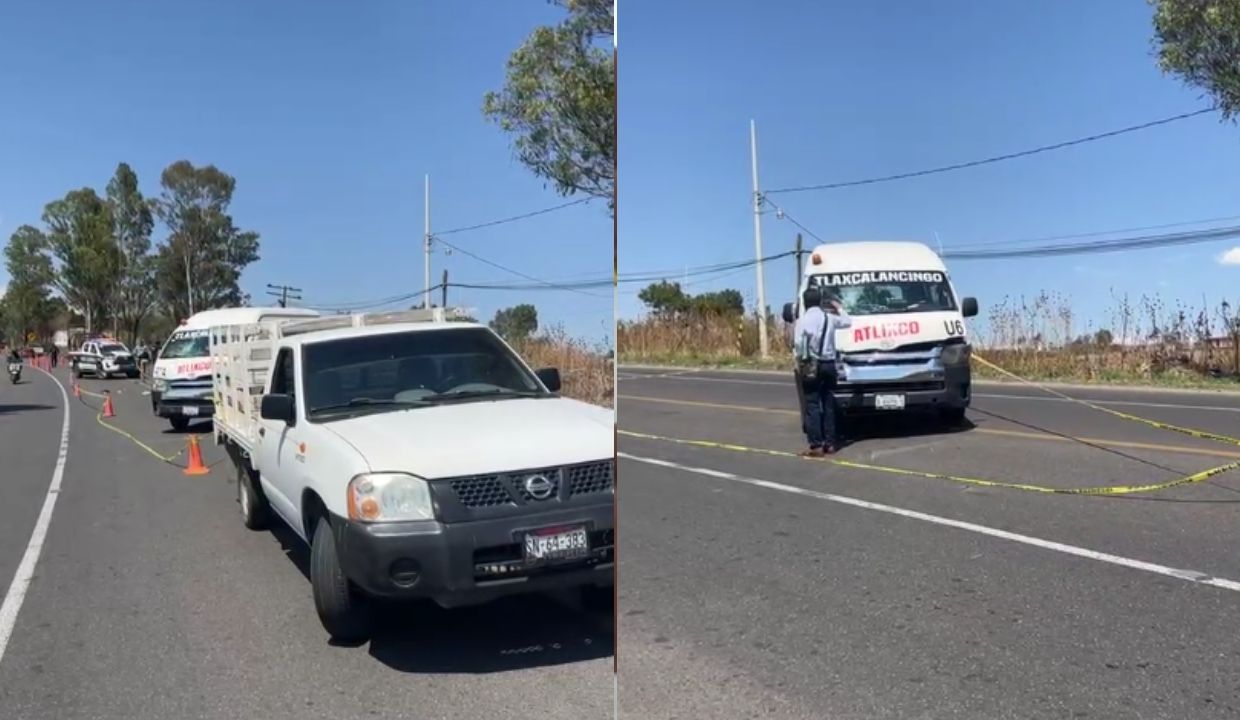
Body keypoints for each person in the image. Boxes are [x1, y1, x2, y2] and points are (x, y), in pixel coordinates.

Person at [793, 285, 853, 456]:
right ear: (819, 301)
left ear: (805, 302)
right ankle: (830, 443)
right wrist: (838, 307)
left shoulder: (802, 321)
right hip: (829, 364)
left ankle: (816, 445)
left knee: (812, 404)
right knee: (828, 402)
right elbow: (848, 322)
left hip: (811, 365)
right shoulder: (830, 318)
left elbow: (798, 344)